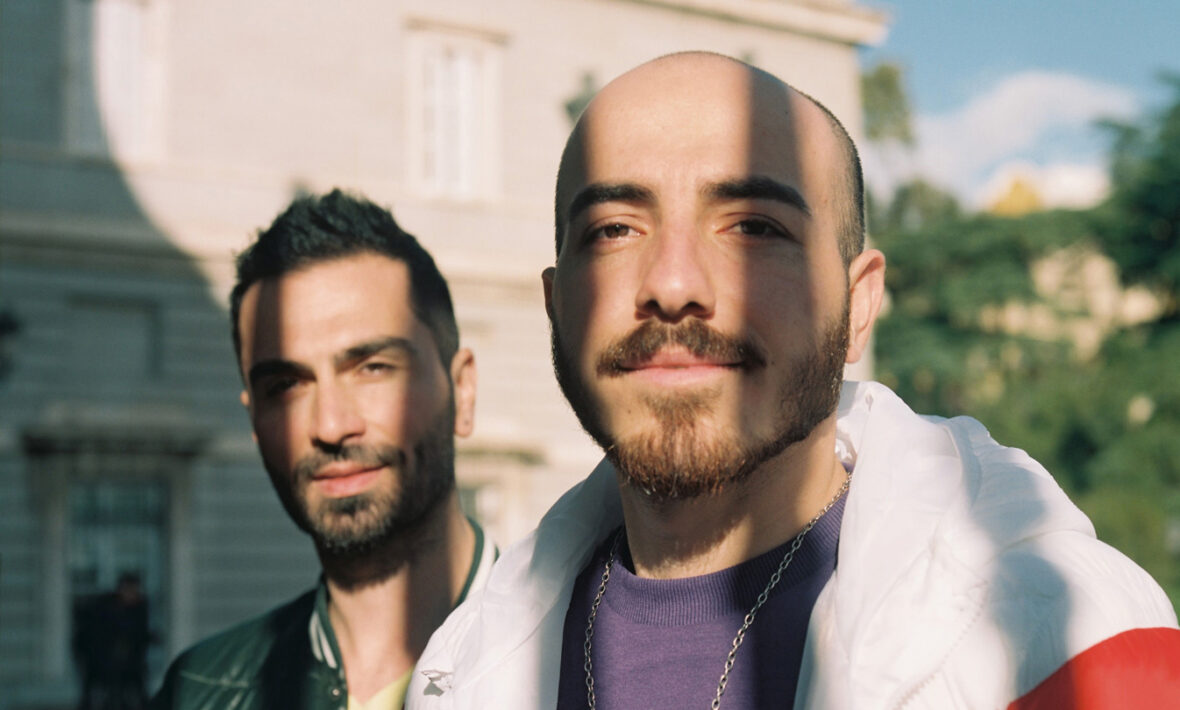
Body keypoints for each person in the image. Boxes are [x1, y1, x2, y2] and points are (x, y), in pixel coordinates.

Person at [407, 53, 1180, 709]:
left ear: (859, 303)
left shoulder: (1080, 656)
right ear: (558, 306)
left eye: (753, 227)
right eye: (613, 231)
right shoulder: (462, 673)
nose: (673, 284)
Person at [152, 190, 495, 709]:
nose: (330, 426)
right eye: (286, 386)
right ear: (253, 420)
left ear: (462, 391)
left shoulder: (580, 660)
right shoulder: (198, 691)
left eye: (373, 368)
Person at [75, 572, 152, 710]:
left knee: (135, 689)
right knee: (99, 692)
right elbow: (93, 635)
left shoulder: (139, 607)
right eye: (129, 589)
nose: (132, 594)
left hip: (128, 661)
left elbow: (139, 634)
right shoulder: (104, 607)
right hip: (98, 657)